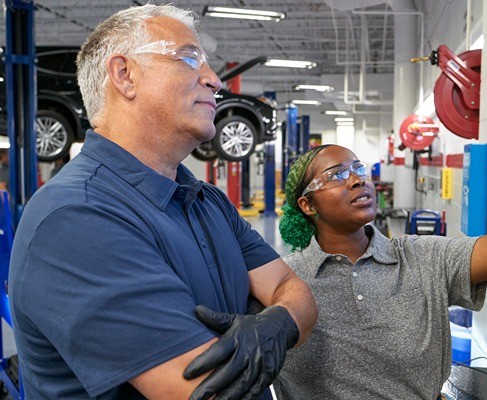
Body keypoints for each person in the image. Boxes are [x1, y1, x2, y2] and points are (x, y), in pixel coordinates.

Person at [8, 4, 317, 400]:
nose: (215, 80)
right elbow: (207, 391)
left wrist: (278, 324)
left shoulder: (206, 201)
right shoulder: (77, 218)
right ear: (125, 75)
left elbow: (296, 290)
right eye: (190, 58)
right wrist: (281, 318)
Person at [273, 94, 487, 399]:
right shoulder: (283, 280)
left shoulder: (420, 257)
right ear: (307, 205)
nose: (357, 181)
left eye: (359, 169)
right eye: (338, 175)